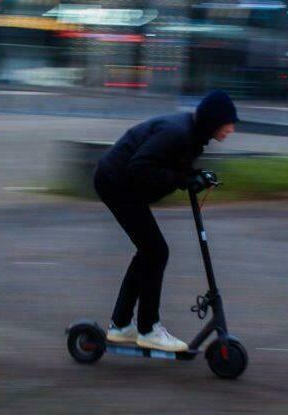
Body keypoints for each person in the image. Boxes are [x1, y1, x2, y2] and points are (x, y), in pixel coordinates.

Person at [92, 90, 238, 352]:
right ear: (214, 120)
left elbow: (169, 164)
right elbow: (140, 166)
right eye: (228, 122)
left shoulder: (193, 135)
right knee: (155, 251)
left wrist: (195, 176)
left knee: (150, 252)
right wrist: (184, 180)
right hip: (115, 182)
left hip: (122, 183)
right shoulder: (178, 132)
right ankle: (148, 329)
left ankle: (122, 324)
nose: (231, 128)